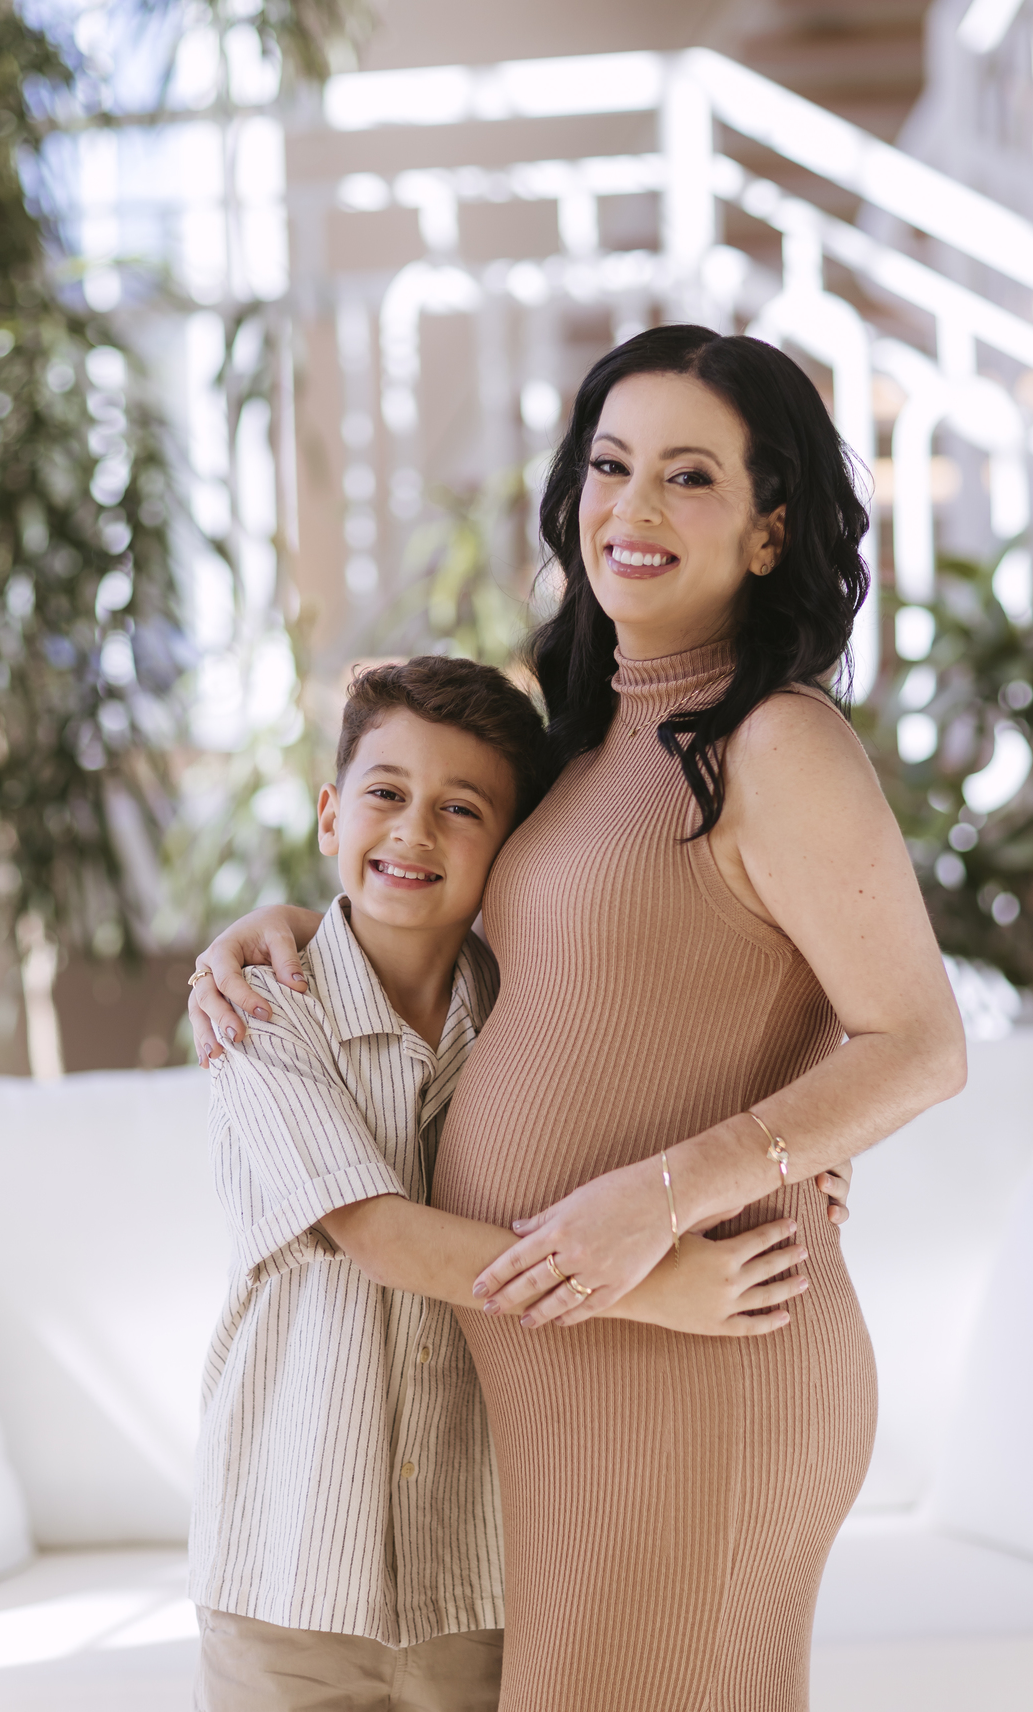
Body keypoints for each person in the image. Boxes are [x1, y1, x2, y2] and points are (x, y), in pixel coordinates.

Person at [189, 324, 958, 1712]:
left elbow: (918, 1042)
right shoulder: (593, 741)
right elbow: (568, 965)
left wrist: (664, 1197)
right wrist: (300, 921)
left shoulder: (777, 740)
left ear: (771, 531)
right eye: (610, 467)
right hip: (577, 1368)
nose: (633, 507)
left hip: (699, 1355)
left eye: (689, 477)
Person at [189, 651, 817, 1712]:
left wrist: (803, 1155)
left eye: (461, 809)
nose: (414, 832)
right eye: (386, 794)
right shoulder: (261, 1011)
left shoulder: (538, 1016)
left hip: (483, 1575)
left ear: (512, 848)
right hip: (286, 1576)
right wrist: (653, 1284)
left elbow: (689, 1066)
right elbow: (380, 1234)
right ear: (331, 815)